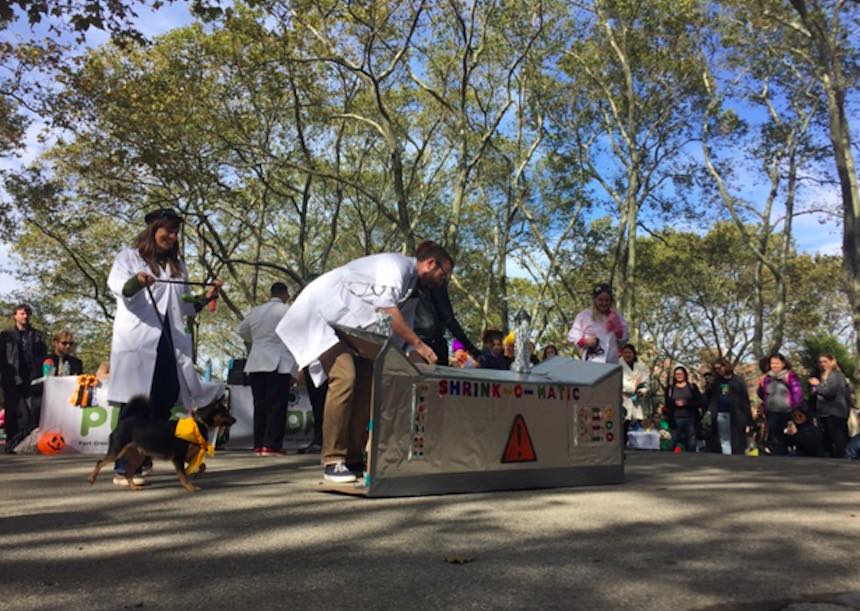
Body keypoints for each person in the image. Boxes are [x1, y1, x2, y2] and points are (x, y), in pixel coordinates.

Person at [275, 240, 452, 484]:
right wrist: (423, 347)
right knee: (345, 377)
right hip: (322, 316)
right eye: (443, 275)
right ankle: (333, 460)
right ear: (431, 263)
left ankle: (353, 456)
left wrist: (420, 363)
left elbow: (404, 336)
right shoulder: (395, 267)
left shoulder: (414, 290)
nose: (442, 282)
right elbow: (391, 316)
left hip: (354, 330)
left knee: (370, 381)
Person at [107, 208, 223, 485]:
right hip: (138, 341)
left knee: (166, 397)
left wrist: (206, 297)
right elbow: (121, 288)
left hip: (169, 343)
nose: (171, 236)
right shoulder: (129, 257)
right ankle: (123, 467)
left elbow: (184, 305)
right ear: (153, 230)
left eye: (175, 232)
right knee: (135, 406)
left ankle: (142, 457)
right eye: (167, 230)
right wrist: (138, 281)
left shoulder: (177, 266)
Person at [236, 282, 297, 456]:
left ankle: (259, 443)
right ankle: (272, 445)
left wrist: (256, 340)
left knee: (260, 404)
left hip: (256, 361)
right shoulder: (287, 310)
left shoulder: (256, 311)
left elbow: (242, 331)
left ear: (270, 293)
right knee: (276, 405)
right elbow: (295, 335)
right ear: (284, 293)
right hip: (278, 362)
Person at [0, 304, 47, 451]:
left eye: (27, 313)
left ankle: (28, 443)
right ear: (15, 316)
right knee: (12, 411)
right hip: (12, 378)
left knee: (33, 411)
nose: (25, 316)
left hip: (31, 379)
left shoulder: (37, 336)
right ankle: (11, 442)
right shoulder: (5, 336)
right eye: (22, 313)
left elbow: (43, 358)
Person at [413, 281, 480, 364]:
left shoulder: (410, 279)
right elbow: (448, 318)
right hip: (431, 341)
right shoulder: (435, 282)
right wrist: (471, 349)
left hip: (412, 340)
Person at [568, 283, 628, 364]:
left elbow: (624, 340)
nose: (604, 303)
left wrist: (618, 331)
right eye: (600, 300)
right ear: (595, 300)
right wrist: (585, 341)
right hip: (591, 362)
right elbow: (572, 336)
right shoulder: (584, 315)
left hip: (611, 362)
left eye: (607, 300)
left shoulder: (617, 316)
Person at [757, 353, 803, 456]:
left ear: (783, 364)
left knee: (788, 436)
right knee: (775, 438)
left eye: (777, 363)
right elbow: (762, 394)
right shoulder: (767, 378)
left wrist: (796, 408)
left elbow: (797, 393)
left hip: (787, 412)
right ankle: (779, 458)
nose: (775, 365)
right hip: (771, 412)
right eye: (772, 363)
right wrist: (760, 387)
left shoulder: (790, 376)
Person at [706, 357, 752, 455]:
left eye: (720, 368)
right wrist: (709, 386)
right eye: (716, 369)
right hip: (721, 413)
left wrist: (748, 420)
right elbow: (710, 398)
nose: (718, 371)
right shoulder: (717, 381)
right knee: (724, 440)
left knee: (737, 441)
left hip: (736, 415)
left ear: (725, 367)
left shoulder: (738, 380)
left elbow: (745, 400)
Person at [808, 353, 851, 458]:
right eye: (820, 362)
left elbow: (830, 392)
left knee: (838, 440)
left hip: (835, 413)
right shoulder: (822, 376)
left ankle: (843, 461)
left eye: (825, 361)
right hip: (824, 413)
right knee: (826, 440)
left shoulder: (836, 375)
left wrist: (817, 385)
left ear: (832, 362)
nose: (822, 364)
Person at [665, 366, 704, 452]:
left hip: (690, 419)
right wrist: (674, 403)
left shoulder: (692, 387)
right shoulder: (670, 388)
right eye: (677, 374)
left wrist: (686, 403)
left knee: (691, 444)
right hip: (675, 419)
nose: (679, 376)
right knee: (672, 443)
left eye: (681, 374)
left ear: (685, 375)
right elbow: (667, 404)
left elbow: (699, 402)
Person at [620, 344, 650, 434]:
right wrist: (633, 387)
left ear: (634, 354)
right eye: (625, 353)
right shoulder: (618, 365)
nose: (627, 355)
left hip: (637, 400)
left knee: (638, 426)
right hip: (623, 399)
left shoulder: (641, 366)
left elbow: (646, 381)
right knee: (623, 425)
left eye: (629, 352)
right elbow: (621, 383)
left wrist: (642, 391)